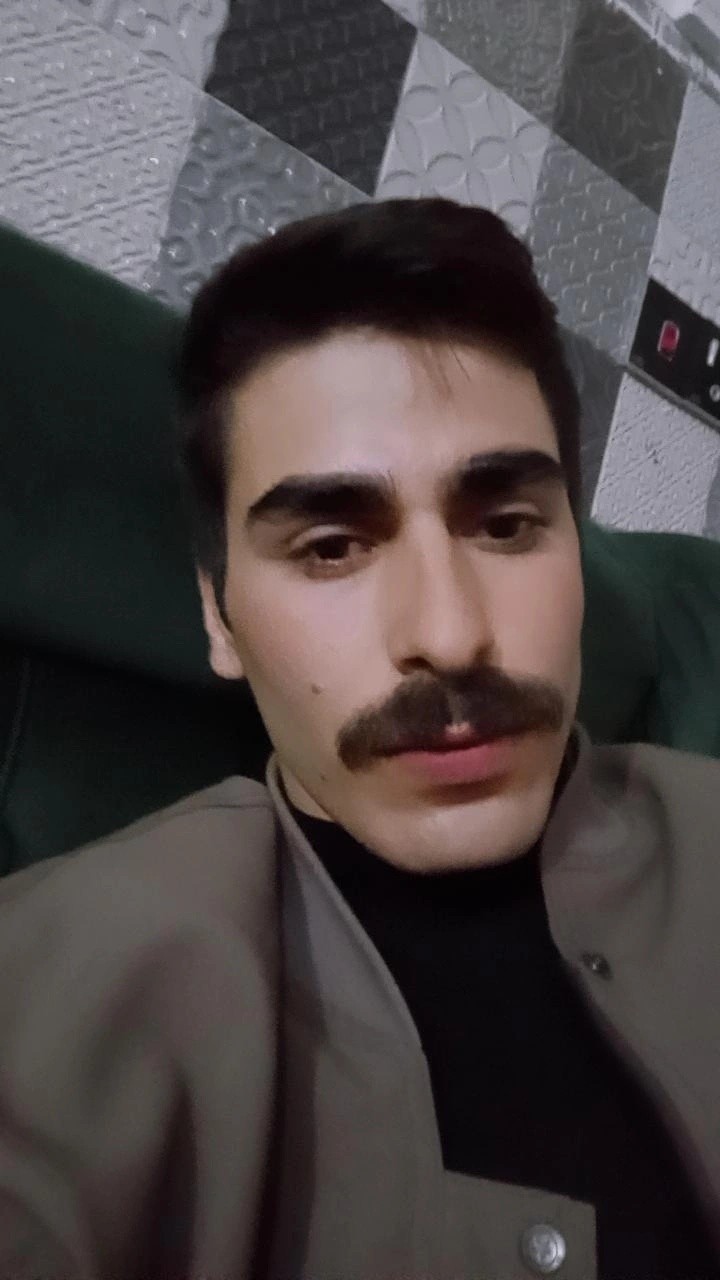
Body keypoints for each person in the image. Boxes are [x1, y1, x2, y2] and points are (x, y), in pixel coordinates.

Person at [1, 198, 720, 1280]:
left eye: (506, 525)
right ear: (218, 617)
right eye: (332, 546)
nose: (451, 634)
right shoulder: (60, 988)